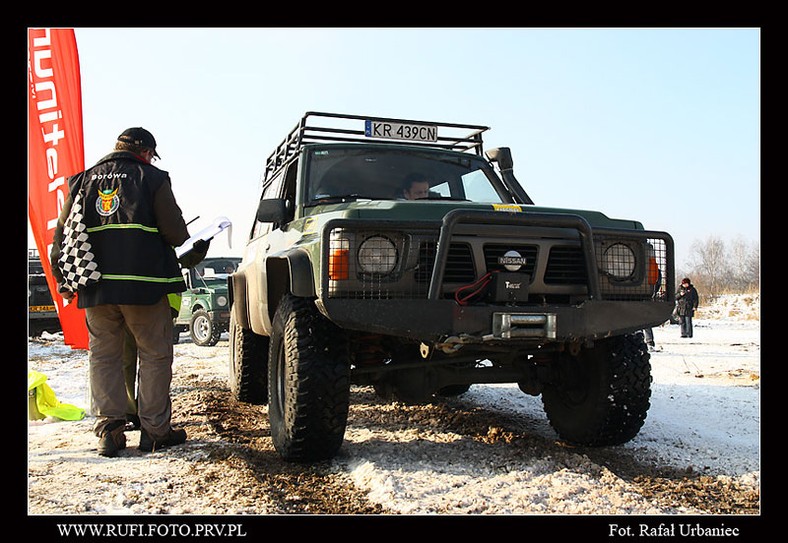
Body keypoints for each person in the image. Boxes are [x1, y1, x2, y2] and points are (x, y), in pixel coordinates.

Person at [51, 127, 207, 457]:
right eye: (151, 154)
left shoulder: (83, 180)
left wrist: (63, 278)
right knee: (154, 354)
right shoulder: (151, 177)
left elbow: (62, 235)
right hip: (144, 288)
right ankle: (154, 432)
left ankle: (109, 433)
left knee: (104, 357)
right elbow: (177, 234)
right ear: (146, 151)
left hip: (96, 290)